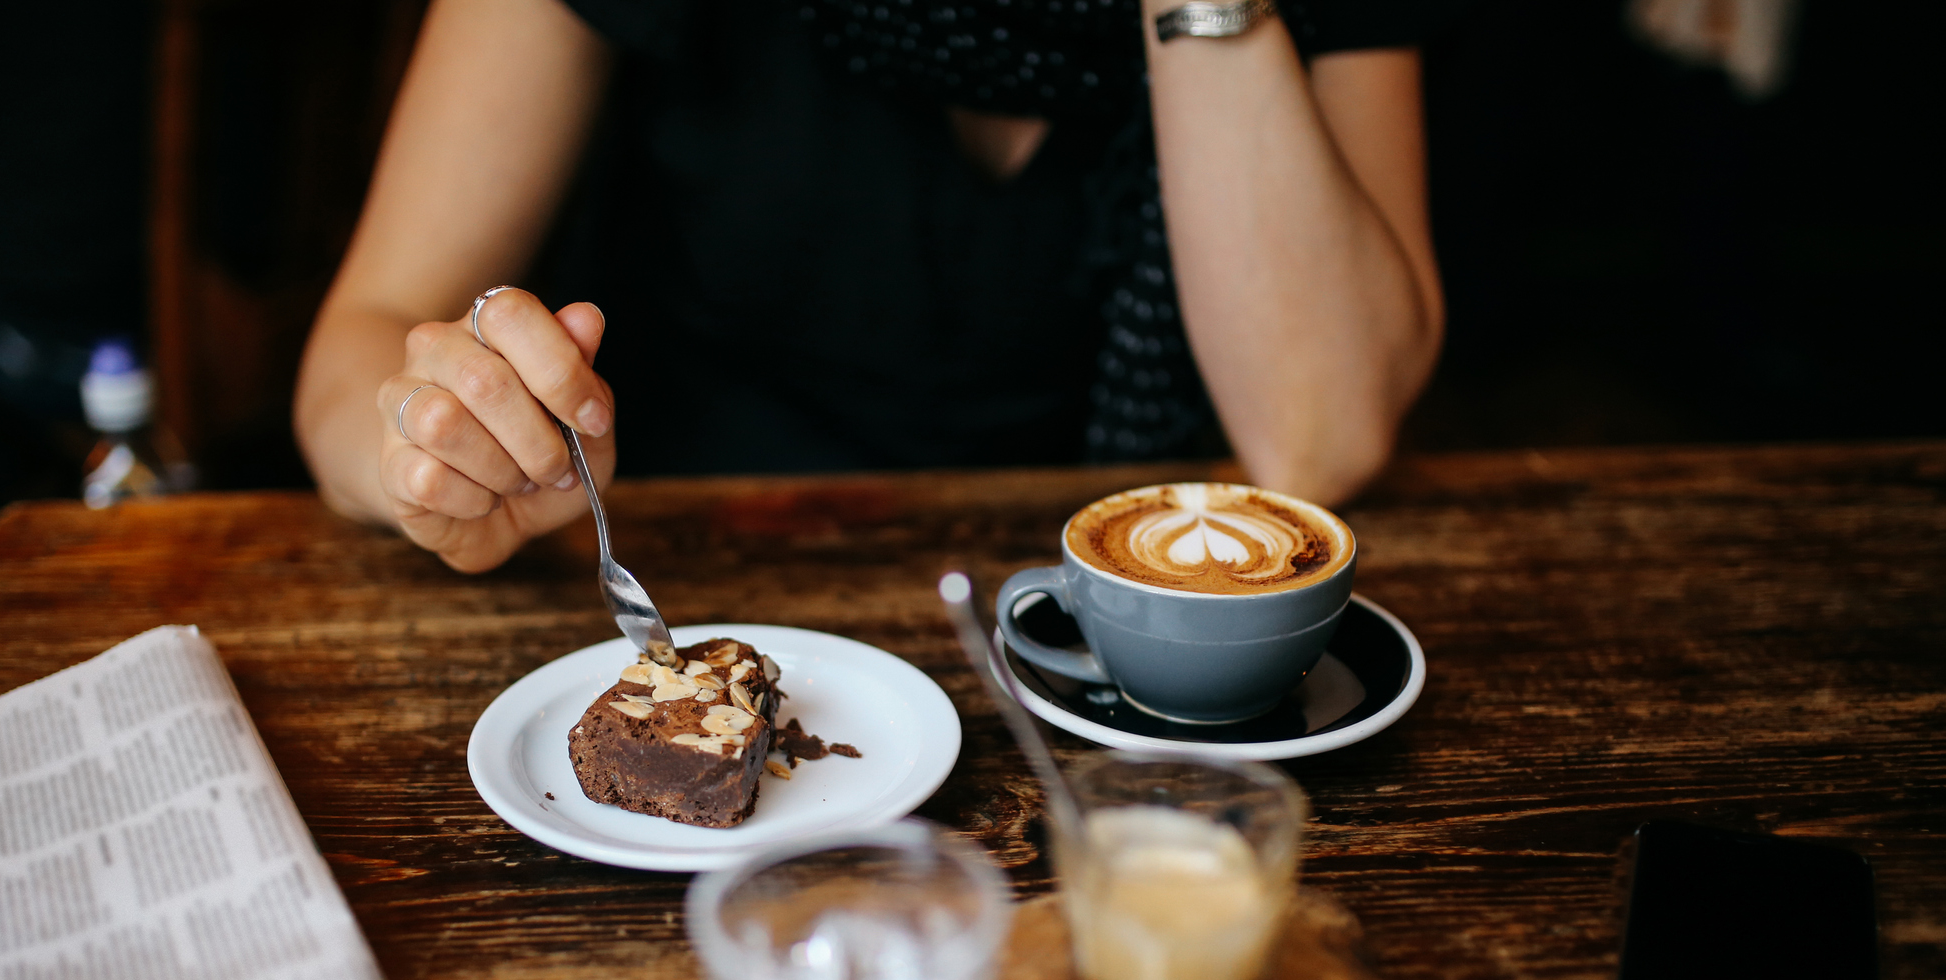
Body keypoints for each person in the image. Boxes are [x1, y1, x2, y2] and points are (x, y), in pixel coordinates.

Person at [295, 0, 1449, 573]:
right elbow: (361, 342)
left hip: (1134, 641)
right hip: (706, 598)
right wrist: (435, 447)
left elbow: (1315, 433)